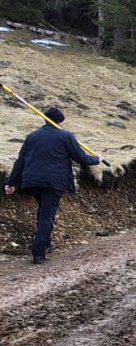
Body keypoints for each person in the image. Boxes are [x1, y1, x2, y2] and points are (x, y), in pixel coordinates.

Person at [4, 106, 102, 264]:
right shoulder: (66, 136)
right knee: (46, 216)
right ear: (60, 121)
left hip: (32, 182)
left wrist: (11, 182)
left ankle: (46, 243)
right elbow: (81, 158)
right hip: (54, 182)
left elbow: (20, 161)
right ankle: (38, 253)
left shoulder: (32, 137)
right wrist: (97, 159)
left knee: (43, 214)